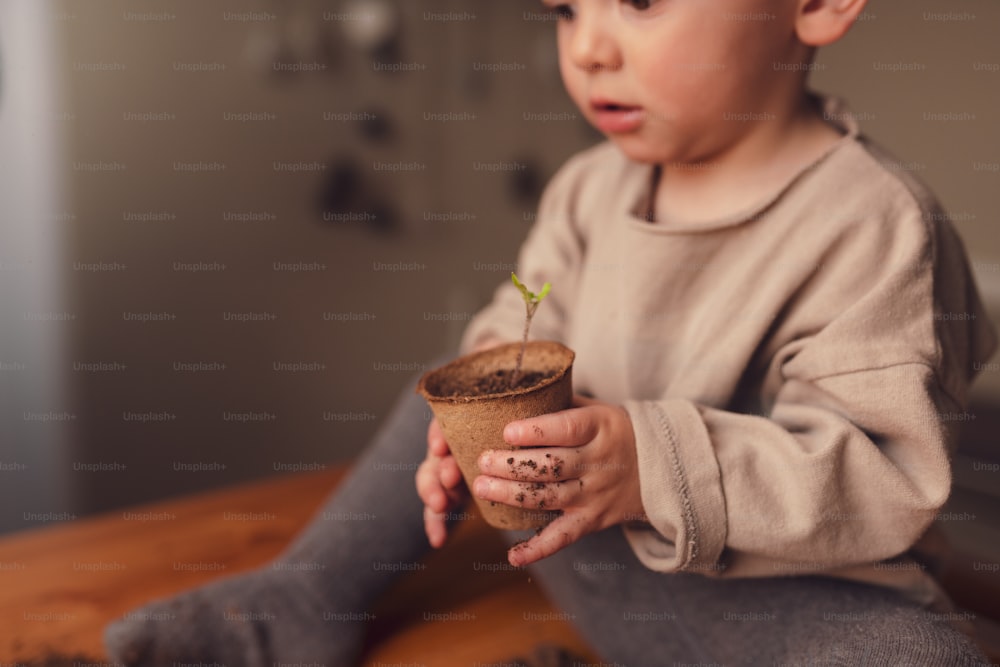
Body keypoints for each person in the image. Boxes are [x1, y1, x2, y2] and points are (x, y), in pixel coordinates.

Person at [105, 0, 998, 664]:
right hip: (602, 570)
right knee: (460, 374)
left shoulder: (875, 228)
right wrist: (472, 442)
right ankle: (304, 594)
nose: (589, 49)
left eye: (639, 2)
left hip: (788, 611)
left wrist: (651, 465)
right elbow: (519, 322)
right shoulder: (587, 190)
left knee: (921, 654)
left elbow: (885, 473)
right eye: (568, 9)